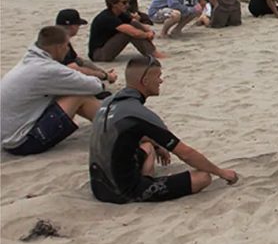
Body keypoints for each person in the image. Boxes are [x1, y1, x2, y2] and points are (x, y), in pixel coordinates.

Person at [89, 56, 239, 203]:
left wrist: (157, 145)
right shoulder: (138, 113)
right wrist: (221, 172)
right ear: (145, 81)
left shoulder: (108, 103)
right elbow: (186, 154)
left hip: (98, 187)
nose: (161, 81)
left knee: (148, 147)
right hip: (122, 193)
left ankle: (144, 177)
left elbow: (126, 133)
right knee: (203, 177)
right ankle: (144, 184)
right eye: (158, 76)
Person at [1, 26, 106, 155]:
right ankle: (111, 126)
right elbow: (94, 86)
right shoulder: (47, 69)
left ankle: (106, 123)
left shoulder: (29, 60)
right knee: (79, 95)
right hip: (22, 142)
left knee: (67, 90)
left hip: (8, 136)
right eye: (67, 46)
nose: (68, 50)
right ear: (58, 47)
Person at [90, 0, 164, 62]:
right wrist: (147, 35)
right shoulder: (107, 17)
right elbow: (133, 32)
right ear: (113, 4)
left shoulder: (120, 13)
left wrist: (149, 31)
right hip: (99, 54)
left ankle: (153, 52)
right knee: (129, 33)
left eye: (128, 2)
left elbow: (134, 22)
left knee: (134, 24)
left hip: (107, 47)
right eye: (124, 2)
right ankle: (153, 54)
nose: (127, 5)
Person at [55, 9, 117, 82]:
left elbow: (78, 60)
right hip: (54, 79)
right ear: (73, 26)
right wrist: (104, 76)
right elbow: (73, 68)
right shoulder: (61, 42)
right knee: (97, 87)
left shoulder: (53, 37)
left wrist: (103, 72)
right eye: (78, 25)